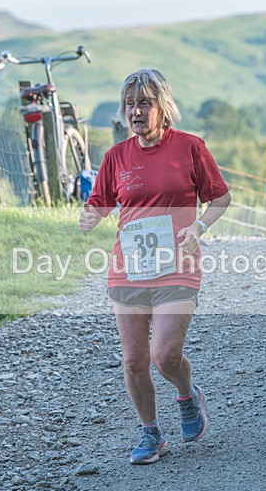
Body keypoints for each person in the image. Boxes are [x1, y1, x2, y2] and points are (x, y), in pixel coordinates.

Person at [79, 68, 231, 464]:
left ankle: (186, 394)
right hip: (129, 267)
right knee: (133, 359)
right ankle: (151, 434)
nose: (136, 112)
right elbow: (100, 202)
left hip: (178, 264)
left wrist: (198, 226)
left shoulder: (190, 147)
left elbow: (220, 199)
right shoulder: (116, 156)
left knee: (163, 355)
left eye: (144, 103)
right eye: (130, 104)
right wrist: (90, 216)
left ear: (163, 107)